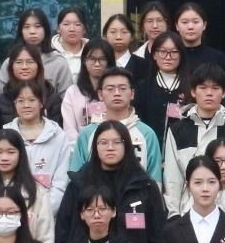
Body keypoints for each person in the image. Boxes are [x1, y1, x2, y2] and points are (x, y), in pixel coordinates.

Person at [58, 120, 170, 243]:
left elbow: (158, 238)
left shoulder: (145, 186)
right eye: (103, 142)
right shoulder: (79, 184)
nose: (110, 147)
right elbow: (63, 232)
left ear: (127, 145)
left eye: (117, 142)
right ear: (95, 147)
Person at [70, 67, 171, 198]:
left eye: (123, 88)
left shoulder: (147, 134)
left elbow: (155, 180)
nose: (117, 93)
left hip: (136, 203)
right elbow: (76, 177)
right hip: (96, 205)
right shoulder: (87, 134)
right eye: (110, 89)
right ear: (100, 94)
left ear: (132, 93)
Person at [6, 80, 72, 222]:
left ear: (41, 103)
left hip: (49, 218)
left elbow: (61, 183)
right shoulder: (6, 135)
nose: (26, 105)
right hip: (11, 217)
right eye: (20, 101)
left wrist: (42, 213)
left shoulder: (58, 136)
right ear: (14, 104)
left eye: (32, 100)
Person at [0, 7, 75, 98]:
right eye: (26, 27)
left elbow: (68, 100)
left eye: (37, 26)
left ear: (45, 30)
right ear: (21, 31)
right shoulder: (10, 62)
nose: (32, 31)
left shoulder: (58, 63)